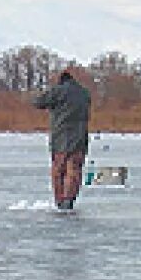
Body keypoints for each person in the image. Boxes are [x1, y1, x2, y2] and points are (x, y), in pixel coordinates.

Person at [32, 70, 92, 210]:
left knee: (59, 170)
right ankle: (69, 199)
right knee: (74, 169)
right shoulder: (84, 93)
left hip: (61, 138)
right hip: (80, 138)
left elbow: (38, 102)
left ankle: (60, 201)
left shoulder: (58, 91)